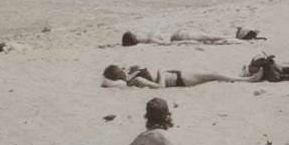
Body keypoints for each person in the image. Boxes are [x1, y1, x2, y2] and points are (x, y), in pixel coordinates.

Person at [101, 64, 261, 88]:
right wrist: (160, 73)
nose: (123, 68)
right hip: (179, 80)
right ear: (118, 75)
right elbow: (159, 87)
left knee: (213, 73)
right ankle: (247, 80)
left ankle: (241, 77)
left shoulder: (132, 75)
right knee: (213, 75)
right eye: (119, 69)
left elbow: (104, 83)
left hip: (178, 76)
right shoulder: (135, 80)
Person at [120, 29, 256, 46]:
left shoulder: (145, 40)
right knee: (211, 38)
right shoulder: (149, 40)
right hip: (180, 37)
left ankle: (239, 38)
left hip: (178, 36)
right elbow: (167, 44)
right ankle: (240, 39)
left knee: (211, 39)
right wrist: (187, 42)